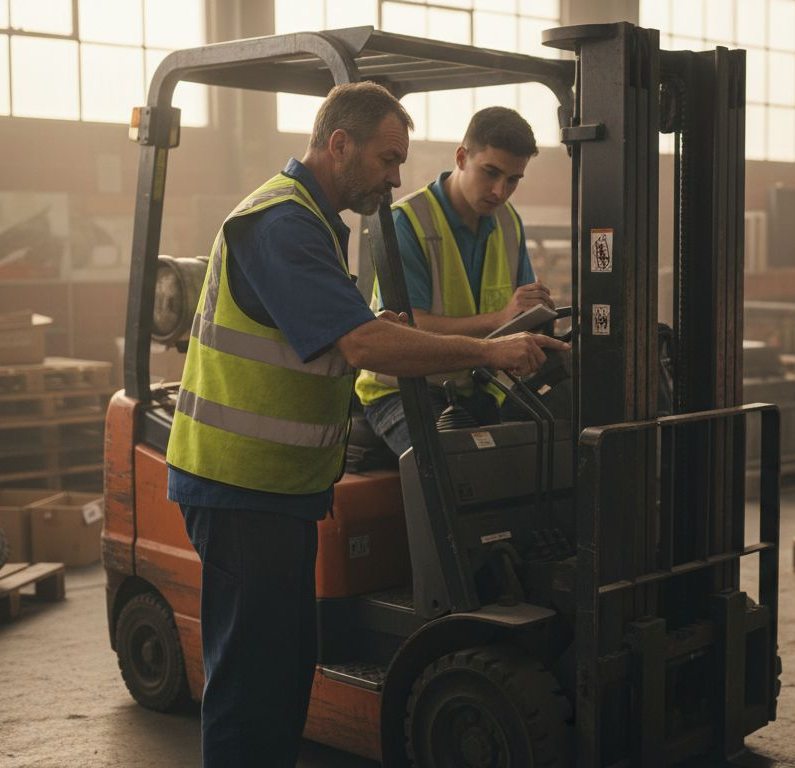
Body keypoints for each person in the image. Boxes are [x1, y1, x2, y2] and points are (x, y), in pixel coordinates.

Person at [164, 82, 565, 768]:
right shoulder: (280, 222)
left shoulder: (317, 223)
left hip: (282, 489)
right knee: (253, 681)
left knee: (289, 669)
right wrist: (487, 347)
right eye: (387, 158)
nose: (396, 176)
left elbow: (342, 332)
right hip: (240, 487)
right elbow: (361, 347)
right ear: (339, 143)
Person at [355, 106, 554, 455]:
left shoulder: (508, 222)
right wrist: (500, 320)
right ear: (462, 157)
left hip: (479, 384)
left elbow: (517, 315)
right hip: (407, 388)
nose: (499, 190)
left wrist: (533, 322)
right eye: (490, 172)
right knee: (455, 470)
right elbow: (407, 329)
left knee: (548, 448)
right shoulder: (407, 223)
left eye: (512, 179)